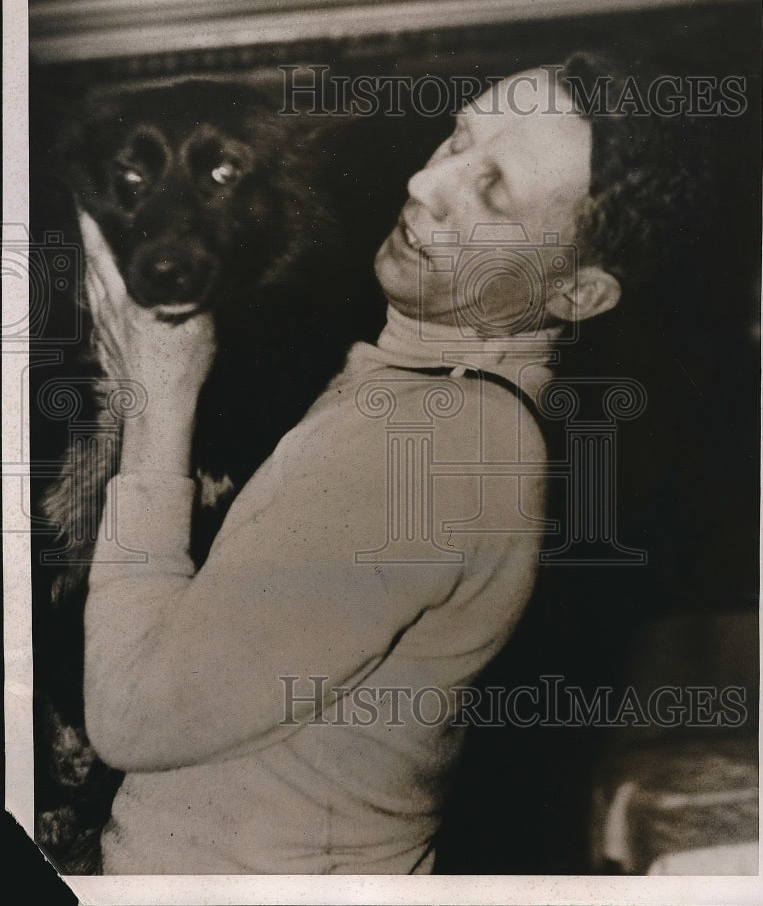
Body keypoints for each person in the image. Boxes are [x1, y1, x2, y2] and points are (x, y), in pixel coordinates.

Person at [80, 56, 683, 874]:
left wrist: (158, 395)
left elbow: (133, 719)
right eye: (458, 137)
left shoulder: (435, 447)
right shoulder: (439, 403)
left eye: (492, 192)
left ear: (576, 294)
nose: (426, 183)